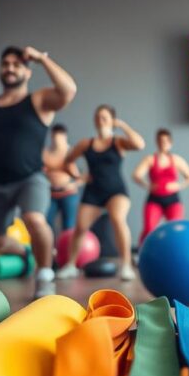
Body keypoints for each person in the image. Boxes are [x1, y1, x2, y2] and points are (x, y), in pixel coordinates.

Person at [0, 46, 76, 299]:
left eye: (16, 64)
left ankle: (45, 275)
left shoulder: (39, 100)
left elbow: (69, 90)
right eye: (6, 64)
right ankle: (28, 253)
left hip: (30, 179)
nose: (10, 68)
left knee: (35, 219)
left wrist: (41, 58)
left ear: (26, 71)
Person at [57, 105, 145, 281]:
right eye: (98, 116)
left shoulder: (118, 142)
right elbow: (67, 161)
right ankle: (71, 265)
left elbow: (139, 144)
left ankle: (126, 265)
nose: (100, 120)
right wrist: (78, 175)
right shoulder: (86, 143)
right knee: (81, 227)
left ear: (112, 120)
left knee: (117, 219)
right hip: (93, 191)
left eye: (104, 117)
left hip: (116, 191)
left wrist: (122, 126)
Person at [132, 128, 189, 246]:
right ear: (157, 142)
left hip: (173, 199)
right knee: (149, 229)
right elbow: (136, 175)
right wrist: (147, 185)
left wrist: (179, 185)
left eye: (166, 141)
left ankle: (175, 256)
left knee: (176, 230)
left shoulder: (176, 160)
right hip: (154, 199)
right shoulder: (150, 159)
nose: (163, 143)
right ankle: (141, 254)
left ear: (170, 143)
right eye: (161, 141)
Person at [43, 124, 82, 235]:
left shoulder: (72, 152)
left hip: (69, 194)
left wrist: (74, 185)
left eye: (59, 136)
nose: (56, 139)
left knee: (68, 225)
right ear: (51, 136)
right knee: (46, 222)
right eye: (54, 136)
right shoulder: (45, 153)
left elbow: (82, 176)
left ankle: (67, 251)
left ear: (64, 136)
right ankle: (50, 250)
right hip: (51, 194)